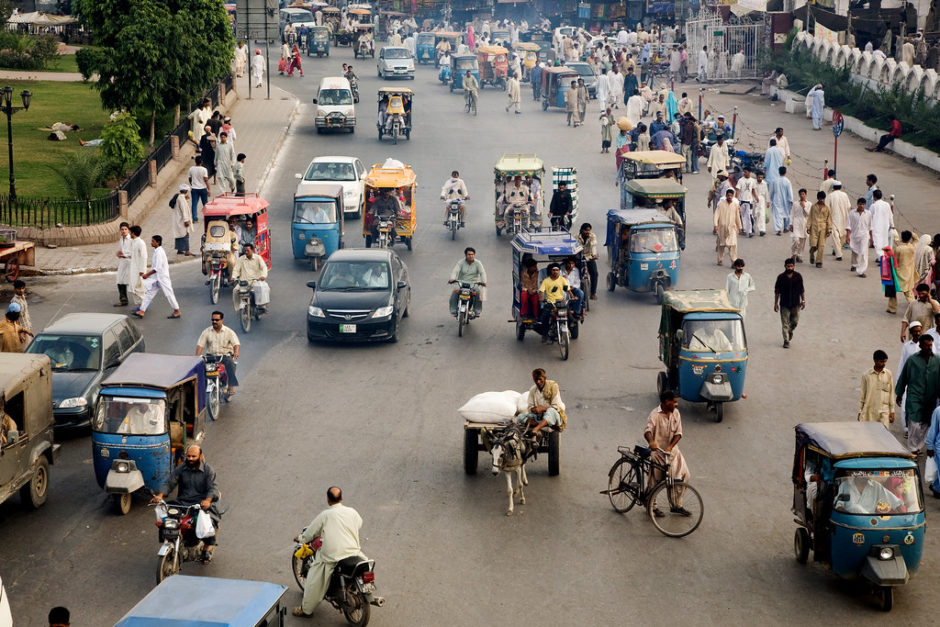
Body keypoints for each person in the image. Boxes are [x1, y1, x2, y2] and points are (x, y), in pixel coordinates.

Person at [292, 486, 365, 619]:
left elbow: (311, 532)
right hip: (354, 552)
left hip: (332, 557)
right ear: (341, 498)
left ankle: (306, 610)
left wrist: (301, 538)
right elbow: (359, 523)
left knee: (313, 582)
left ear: (328, 500)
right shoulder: (352, 512)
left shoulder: (325, 515)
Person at [150, 445, 221, 562]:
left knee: (206, 524)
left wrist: (207, 501)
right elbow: (169, 482)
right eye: (189, 456)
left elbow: (213, 488)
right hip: (182, 502)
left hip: (200, 504)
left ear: (200, 456)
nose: (191, 458)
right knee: (166, 517)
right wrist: (160, 496)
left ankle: (207, 548)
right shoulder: (181, 469)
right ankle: (176, 538)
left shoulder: (208, 470)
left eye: (194, 456)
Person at [644, 390, 691, 517]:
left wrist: (670, 447)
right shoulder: (655, 415)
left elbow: (678, 433)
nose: (676, 404)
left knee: (683, 476)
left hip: (673, 452)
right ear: (666, 402)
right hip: (658, 453)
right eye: (674, 402)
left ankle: (677, 505)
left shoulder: (676, 413)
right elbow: (648, 430)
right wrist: (651, 442)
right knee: (655, 482)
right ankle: (651, 506)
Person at [896, 334, 940, 454]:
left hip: (930, 397)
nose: (929, 347)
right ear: (920, 346)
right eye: (926, 345)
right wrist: (899, 393)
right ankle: (912, 448)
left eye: (930, 345)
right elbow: (904, 377)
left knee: (926, 423)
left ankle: (918, 446)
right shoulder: (912, 360)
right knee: (914, 423)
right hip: (915, 396)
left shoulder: (937, 360)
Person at [135, 236, 181, 320]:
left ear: (158, 242)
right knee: (149, 294)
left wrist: (147, 275)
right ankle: (142, 311)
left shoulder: (160, 252)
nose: (151, 243)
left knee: (169, 294)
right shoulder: (156, 251)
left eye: (153, 241)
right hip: (156, 278)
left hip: (163, 278)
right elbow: (154, 267)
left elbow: (157, 268)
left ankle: (177, 310)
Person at [195, 311, 240, 396]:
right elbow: (200, 345)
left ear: (221, 320)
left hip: (224, 356)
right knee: (200, 368)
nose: (214, 322)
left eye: (216, 320)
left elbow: (236, 343)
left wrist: (236, 352)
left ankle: (231, 386)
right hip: (210, 357)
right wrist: (196, 357)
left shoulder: (229, 331)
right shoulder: (206, 332)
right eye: (213, 320)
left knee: (230, 364)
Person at [515, 368, 566, 437]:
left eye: (540, 379)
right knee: (520, 417)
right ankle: (541, 424)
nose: (538, 382)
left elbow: (555, 407)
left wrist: (543, 408)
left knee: (550, 411)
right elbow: (530, 407)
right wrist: (534, 409)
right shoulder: (533, 390)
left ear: (544, 378)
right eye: (536, 379)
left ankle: (536, 428)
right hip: (539, 417)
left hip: (554, 416)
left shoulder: (553, 386)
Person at [538, 263, 576, 342]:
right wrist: (541, 298)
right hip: (550, 302)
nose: (555, 272)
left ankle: (571, 323)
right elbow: (541, 291)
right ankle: (545, 335)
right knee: (544, 317)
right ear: (550, 271)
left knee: (567, 312)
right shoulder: (546, 281)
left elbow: (568, 289)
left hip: (560, 301)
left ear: (559, 271)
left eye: (557, 270)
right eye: (554, 270)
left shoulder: (562, 279)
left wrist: (572, 296)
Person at [774, 257, 805, 348]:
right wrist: (775, 303)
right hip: (784, 304)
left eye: (791, 266)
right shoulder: (781, 277)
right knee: (785, 323)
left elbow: (802, 290)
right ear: (785, 266)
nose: (790, 268)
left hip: (796, 304)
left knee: (794, 322)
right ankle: (786, 341)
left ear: (794, 266)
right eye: (788, 266)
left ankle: (789, 332)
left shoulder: (798, 276)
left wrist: (803, 300)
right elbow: (777, 292)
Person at [859, 349, 894, 427]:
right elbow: (862, 395)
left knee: (884, 435)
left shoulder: (888, 374)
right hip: (870, 412)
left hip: (884, 412)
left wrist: (892, 411)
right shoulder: (866, 375)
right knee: (870, 434)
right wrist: (860, 411)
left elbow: (891, 393)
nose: (884, 364)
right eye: (881, 362)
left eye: (885, 361)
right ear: (875, 360)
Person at [448, 247, 487, 316]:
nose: (471, 256)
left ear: (474, 255)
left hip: (473, 283)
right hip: (461, 282)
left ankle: (477, 310)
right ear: (465, 255)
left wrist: (484, 281)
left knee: (478, 292)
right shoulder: (460, 262)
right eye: (469, 254)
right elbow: (455, 271)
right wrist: (452, 278)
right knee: (455, 291)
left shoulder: (478, 263)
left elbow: (482, 273)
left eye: (472, 254)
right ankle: (453, 309)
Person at [231, 243, 269, 311]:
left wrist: (263, 276)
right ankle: (238, 307)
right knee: (235, 291)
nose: (246, 252)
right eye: (244, 250)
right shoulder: (241, 259)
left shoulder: (258, 258)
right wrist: (233, 277)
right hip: (243, 282)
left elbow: (264, 267)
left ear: (252, 250)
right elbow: (236, 269)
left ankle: (262, 306)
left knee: (264, 289)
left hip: (255, 281)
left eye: (248, 250)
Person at [713, 188, 741, 266]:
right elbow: (716, 215)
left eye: (731, 196)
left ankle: (734, 262)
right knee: (721, 245)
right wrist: (715, 225)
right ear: (726, 196)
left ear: (733, 196)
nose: (729, 197)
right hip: (722, 229)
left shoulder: (735, 205)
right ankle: (720, 259)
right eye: (728, 195)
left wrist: (740, 227)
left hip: (732, 229)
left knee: (733, 246)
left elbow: (737, 217)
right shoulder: (721, 205)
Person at [846, 197, 873, 277]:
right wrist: (847, 237)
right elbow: (848, 226)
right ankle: (854, 264)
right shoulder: (852, 213)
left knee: (864, 252)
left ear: (865, 205)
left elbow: (870, 226)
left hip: (864, 235)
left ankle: (861, 271)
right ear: (857, 204)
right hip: (854, 235)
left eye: (863, 204)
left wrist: (871, 238)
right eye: (860, 204)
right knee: (854, 250)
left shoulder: (868, 213)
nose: (861, 206)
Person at [807, 191, 832, 268]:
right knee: (814, 245)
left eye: (823, 199)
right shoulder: (813, 207)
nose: (821, 200)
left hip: (823, 228)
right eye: (820, 198)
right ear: (818, 198)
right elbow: (810, 217)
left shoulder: (827, 208)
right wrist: (808, 227)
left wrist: (829, 230)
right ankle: (811, 253)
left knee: (821, 245)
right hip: (814, 227)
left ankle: (819, 261)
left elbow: (829, 219)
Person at [894, 231, 919, 306]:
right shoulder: (912, 247)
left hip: (899, 272)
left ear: (902, 237)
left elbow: (895, 261)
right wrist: (912, 233)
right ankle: (914, 307)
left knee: (892, 291)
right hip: (909, 272)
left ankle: (892, 307)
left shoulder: (898, 249)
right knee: (908, 292)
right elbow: (916, 239)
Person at [826, 181, 850, 259]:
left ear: (833, 187)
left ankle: (836, 251)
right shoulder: (845, 195)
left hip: (834, 218)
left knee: (835, 236)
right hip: (844, 218)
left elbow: (827, 208)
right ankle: (838, 253)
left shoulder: (830, 196)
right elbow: (849, 206)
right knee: (841, 235)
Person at [768, 166, 793, 236]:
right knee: (786, 214)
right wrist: (791, 200)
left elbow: (771, 191)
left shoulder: (775, 181)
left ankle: (779, 229)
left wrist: (770, 199)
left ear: (779, 172)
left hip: (777, 200)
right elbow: (790, 192)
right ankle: (786, 227)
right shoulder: (787, 181)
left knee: (777, 215)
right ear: (785, 172)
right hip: (786, 200)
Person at [577, 223, 598, 300]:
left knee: (595, 273)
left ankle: (593, 293)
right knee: (576, 272)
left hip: (589, 256)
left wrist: (594, 254)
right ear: (582, 230)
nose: (587, 232)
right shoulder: (576, 237)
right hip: (579, 257)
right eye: (586, 230)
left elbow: (593, 245)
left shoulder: (592, 236)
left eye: (589, 230)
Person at [735, 167, 757, 238]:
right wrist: (736, 199)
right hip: (741, 200)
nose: (744, 173)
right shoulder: (740, 180)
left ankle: (750, 231)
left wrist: (756, 197)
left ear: (749, 172)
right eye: (744, 172)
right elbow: (738, 190)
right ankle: (743, 229)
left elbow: (753, 190)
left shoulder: (752, 181)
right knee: (742, 215)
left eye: (746, 172)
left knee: (748, 216)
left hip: (749, 201)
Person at [171, 184, 193, 256]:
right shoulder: (181, 199)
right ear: (186, 191)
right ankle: (187, 250)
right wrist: (186, 220)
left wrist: (187, 199)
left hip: (178, 219)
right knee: (185, 235)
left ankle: (179, 249)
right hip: (182, 220)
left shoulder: (179, 197)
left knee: (179, 235)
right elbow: (184, 210)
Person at [115, 222, 132, 306]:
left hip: (130, 263)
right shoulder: (121, 239)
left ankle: (143, 301)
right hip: (122, 262)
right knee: (119, 280)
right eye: (122, 229)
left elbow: (134, 252)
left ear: (128, 230)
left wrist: (125, 254)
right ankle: (123, 299)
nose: (124, 231)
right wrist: (118, 254)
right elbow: (120, 249)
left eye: (125, 229)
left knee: (133, 282)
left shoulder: (131, 240)